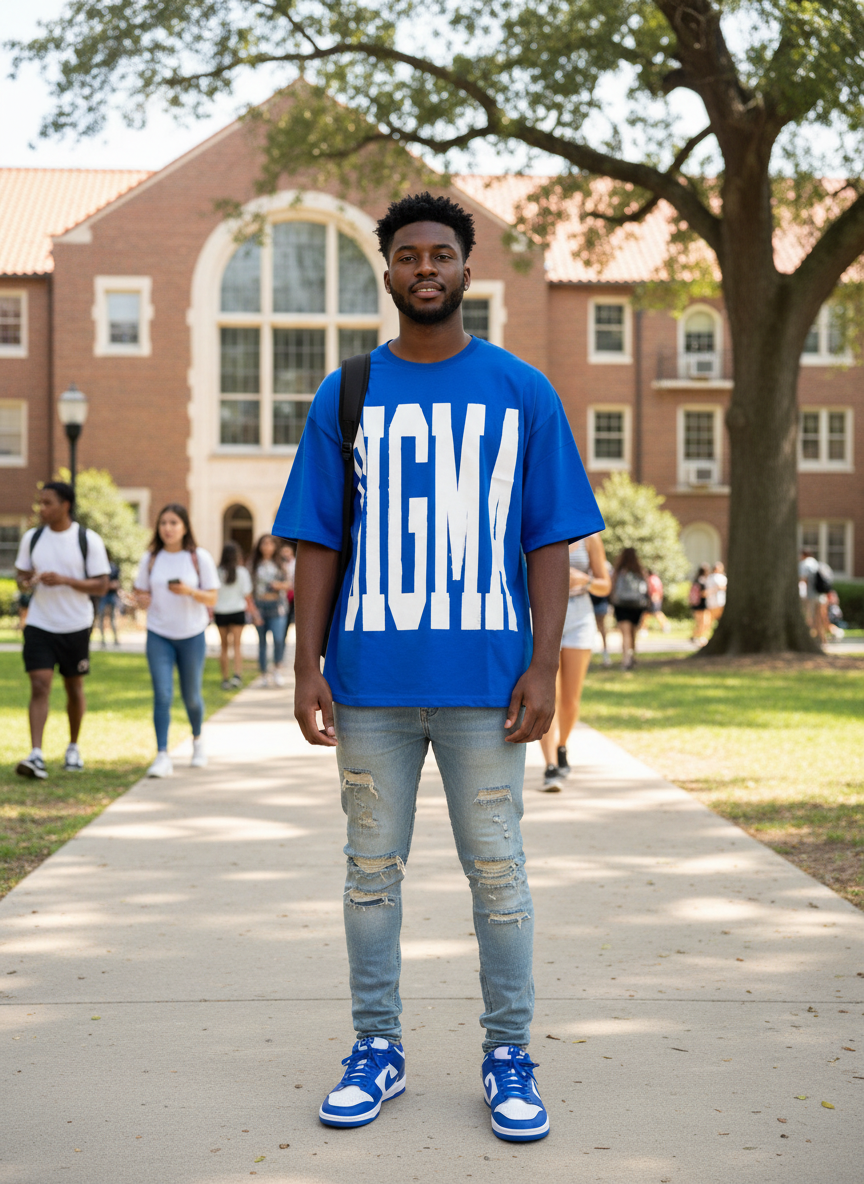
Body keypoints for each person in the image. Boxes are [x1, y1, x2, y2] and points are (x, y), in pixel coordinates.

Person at [275, 192, 604, 1143]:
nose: (426, 267)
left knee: (498, 875)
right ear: (388, 274)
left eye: (442, 254)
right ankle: (377, 1048)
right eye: (409, 255)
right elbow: (317, 541)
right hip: (372, 682)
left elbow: (548, 539)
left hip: (487, 684)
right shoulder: (348, 392)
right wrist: (308, 669)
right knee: (370, 874)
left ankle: (510, 1055)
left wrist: (544, 665)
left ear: (467, 270)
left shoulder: (522, 391)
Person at [13, 481, 110, 779]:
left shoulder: (86, 539)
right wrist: (28, 580)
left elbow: (102, 584)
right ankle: (37, 754)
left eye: (47, 503)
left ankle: (72, 747)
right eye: (40, 503)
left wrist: (66, 580)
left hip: (75, 625)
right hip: (41, 623)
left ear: (65, 505)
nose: (41, 509)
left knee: (73, 687)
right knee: (40, 684)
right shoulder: (33, 537)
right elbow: (20, 575)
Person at [133, 504, 219, 778]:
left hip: (192, 635)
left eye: (173, 522)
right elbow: (140, 594)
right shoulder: (150, 558)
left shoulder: (198, 557)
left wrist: (189, 591)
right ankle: (161, 755)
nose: (167, 528)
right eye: (163, 523)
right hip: (158, 634)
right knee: (163, 694)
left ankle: (197, 741)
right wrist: (141, 599)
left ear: (184, 527)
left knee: (191, 696)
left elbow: (213, 598)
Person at [539, 533, 611, 790]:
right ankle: (549, 766)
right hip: (544, 612)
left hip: (579, 614)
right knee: (548, 694)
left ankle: (562, 746)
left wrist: (585, 580)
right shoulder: (539, 526)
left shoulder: (591, 538)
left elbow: (605, 585)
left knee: (570, 699)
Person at [214, 540, 257, 690]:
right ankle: (237, 676)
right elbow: (247, 596)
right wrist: (255, 614)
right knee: (237, 646)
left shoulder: (217, 572)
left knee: (224, 647)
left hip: (220, 612)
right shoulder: (242, 572)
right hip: (237, 612)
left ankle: (225, 678)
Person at [250, 534, 291, 686]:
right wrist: (252, 610)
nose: (266, 546)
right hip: (260, 605)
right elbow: (249, 589)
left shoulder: (281, 564)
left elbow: (289, 583)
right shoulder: (254, 564)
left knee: (279, 639)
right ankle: (263, 674)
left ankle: (277, 669)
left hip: (277, 606)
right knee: (262, 642)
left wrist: (277, 585)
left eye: (270, 543)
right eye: (264, 543)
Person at [610, 547, 649, 670]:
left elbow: (612, 587)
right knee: (633, 633)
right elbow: (647, 588)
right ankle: (632, 656)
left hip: (621, 605)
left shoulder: (619, 570)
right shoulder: (640, 570)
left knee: (625, 633)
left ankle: (626, 659)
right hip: (637, 605)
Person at [589, 558, 614, 667]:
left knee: (601, 628)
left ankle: (605, 653)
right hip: (588, 601)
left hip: (600, 601)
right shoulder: (587, 562)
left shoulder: (605, 565)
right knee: (593, 628)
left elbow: (608, 585)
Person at [97, 553, 122, 647]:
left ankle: (115, 639)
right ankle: (103, 640)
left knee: (112, 618)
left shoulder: (113, 567)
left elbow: (116, 583)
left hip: (111, 596)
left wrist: (107, 585)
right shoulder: (98, 567)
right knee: (101, 618)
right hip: (102, 595)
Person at [689, 563, 712, 646]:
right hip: (701, 605)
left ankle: (696, 636)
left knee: (701, 622)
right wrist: (714, 591)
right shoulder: (702, 581)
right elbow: (703, 593)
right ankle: (697, 637)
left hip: (696, 604)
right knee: (702, 622)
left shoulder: (696, 580)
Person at [641, 568, 670, 632]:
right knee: (648, 614)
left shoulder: (651, 579)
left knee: (654, 613)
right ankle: (643, 628)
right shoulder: (655, 578)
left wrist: (654, 597)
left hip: (654, 598)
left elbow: (655, 589)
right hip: (656, 598)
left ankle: (665, 625)